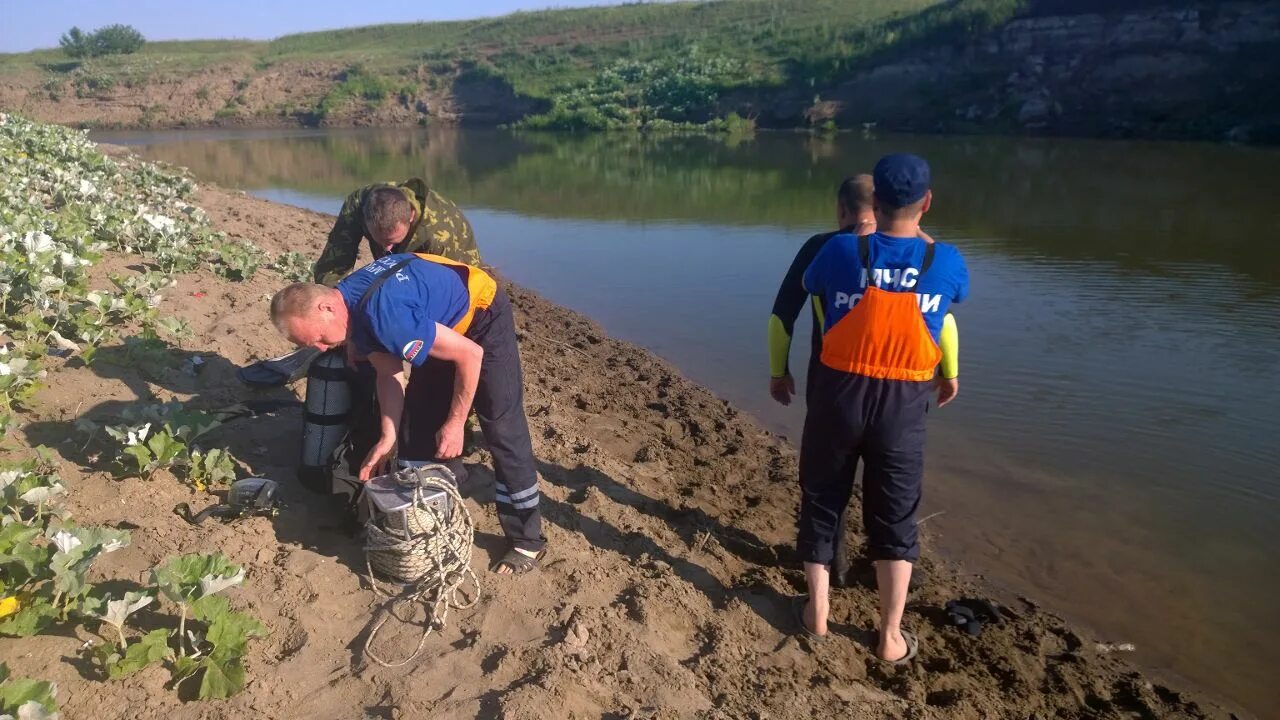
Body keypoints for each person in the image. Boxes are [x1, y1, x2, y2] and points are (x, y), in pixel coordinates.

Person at [270, 253, 546, 575]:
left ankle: (527, 540)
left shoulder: (385, 319)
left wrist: (456, 424)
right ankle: (437, 502)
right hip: (430, 320)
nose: (319, 348)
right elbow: (388, 375)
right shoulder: (349, 307)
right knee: (413, 431)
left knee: (501, 425)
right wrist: (387, 437)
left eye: (316, 338)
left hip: (480, 318)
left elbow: (471, 355)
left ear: (326, 308)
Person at [795, 154, 969, 663]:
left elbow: (812, 290)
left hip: (838, 397)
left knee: (823, 499)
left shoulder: (840, 251)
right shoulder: (946, 261)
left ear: (874, 203)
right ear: (927, 203)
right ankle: (890, 637)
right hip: (903, 407)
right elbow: (949, 304)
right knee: (895, 516)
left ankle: (817, 615)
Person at [768, 175, 960, 587]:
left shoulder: (825, 247)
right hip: (903, 388)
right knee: (891, 480)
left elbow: (782, 316)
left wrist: (778, 371)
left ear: (841, 209)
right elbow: (942, 320)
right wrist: (949, 372)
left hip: (831, 383)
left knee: (827, 480)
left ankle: (830, 568)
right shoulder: (922, 251)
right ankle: (888, 567)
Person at [312, 178, 481, 285]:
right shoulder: (358, 204)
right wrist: (333, 299)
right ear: (364, 218)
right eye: (380, 240)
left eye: (393, 241)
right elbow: (334, 262)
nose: (386, 248)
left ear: (411, 216)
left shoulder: (439, 235)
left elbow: (451, 286)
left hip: (457, 264)